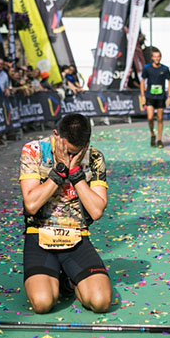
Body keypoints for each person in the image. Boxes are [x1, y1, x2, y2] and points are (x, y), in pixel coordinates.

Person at [19, 113, 110, 314]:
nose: (69, 158)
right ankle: (56, 277)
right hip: (40, 236)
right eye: (67, 152)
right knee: (43, 304)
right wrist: (59, 172)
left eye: (75, 153)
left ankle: (70, 278)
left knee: (100, 302)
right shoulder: (34, 150)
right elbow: (31, 205)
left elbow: (96, 211)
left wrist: (76, 174)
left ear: (86, 144)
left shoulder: (95, 157)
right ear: (56, 136)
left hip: (77, 237)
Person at [140, 47, 170, 148]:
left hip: (161, 97)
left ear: (160, 57)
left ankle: (159, 139)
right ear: (152, 58)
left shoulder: (165, 69)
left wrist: (169, 96)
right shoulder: (147, 68)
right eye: (155, 57)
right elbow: (142, 81)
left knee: (160, 118)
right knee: (150, 117)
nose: (157, 58)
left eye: (158, 57)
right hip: (150, 96)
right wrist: (142, 96)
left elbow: (169, 81)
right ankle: (152, 134)